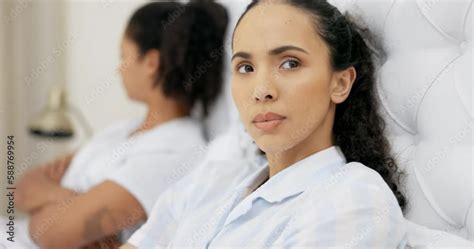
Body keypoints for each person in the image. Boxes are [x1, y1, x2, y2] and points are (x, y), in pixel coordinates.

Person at [121, 0, 408, 247]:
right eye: (245, 68)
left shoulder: (354, 198)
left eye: (290, 63)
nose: (261, 90)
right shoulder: (209, 182)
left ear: (340, 83)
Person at [12, 1, 228, 248]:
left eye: (124, 56)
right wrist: (69, 201)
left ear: (151, 63)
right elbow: (22, 188)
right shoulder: (121, 131)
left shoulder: (177, 151)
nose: (119, 69)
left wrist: (52, 198)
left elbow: (50, 233)